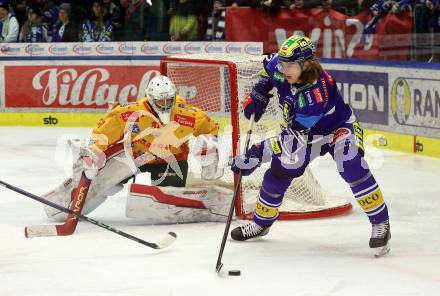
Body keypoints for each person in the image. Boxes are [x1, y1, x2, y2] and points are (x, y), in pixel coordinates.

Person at [229, 35, 391, 255]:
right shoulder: (280, 63)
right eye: (283, 63)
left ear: (305, 64)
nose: (284, 68)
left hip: (336, 129)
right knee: (280, 171)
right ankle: (261, 223)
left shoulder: (314, 95)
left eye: (290, 65)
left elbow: (291, 139)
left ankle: (381, 223)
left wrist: (256, 153)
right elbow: (268, 71)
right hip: (303, 133)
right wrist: (260, 91)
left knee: (351, 165)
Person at [43, 75, 223, 229]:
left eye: (169, 100)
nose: (165, 105)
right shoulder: (129, 112)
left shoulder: (190, 115)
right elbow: (103, 133)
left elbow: (211, 129)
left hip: (171, 161)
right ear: (150, 98)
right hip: (135, 156)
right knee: (102, 183)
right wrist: (93, 150)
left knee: (169, 203)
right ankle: (64, 204)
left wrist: (208, 146)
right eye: (160, 101)